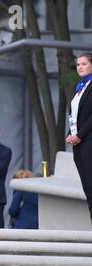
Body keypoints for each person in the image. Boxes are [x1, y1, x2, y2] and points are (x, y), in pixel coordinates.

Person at [66, 52, 92, 223]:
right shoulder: (79, 87)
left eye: (83, 63)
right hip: (78, 144)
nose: (80, 67)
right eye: (78, 64)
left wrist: (80, 136)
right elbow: (76, 116)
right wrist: (71, 134)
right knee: (88, 189)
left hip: (88, 141)